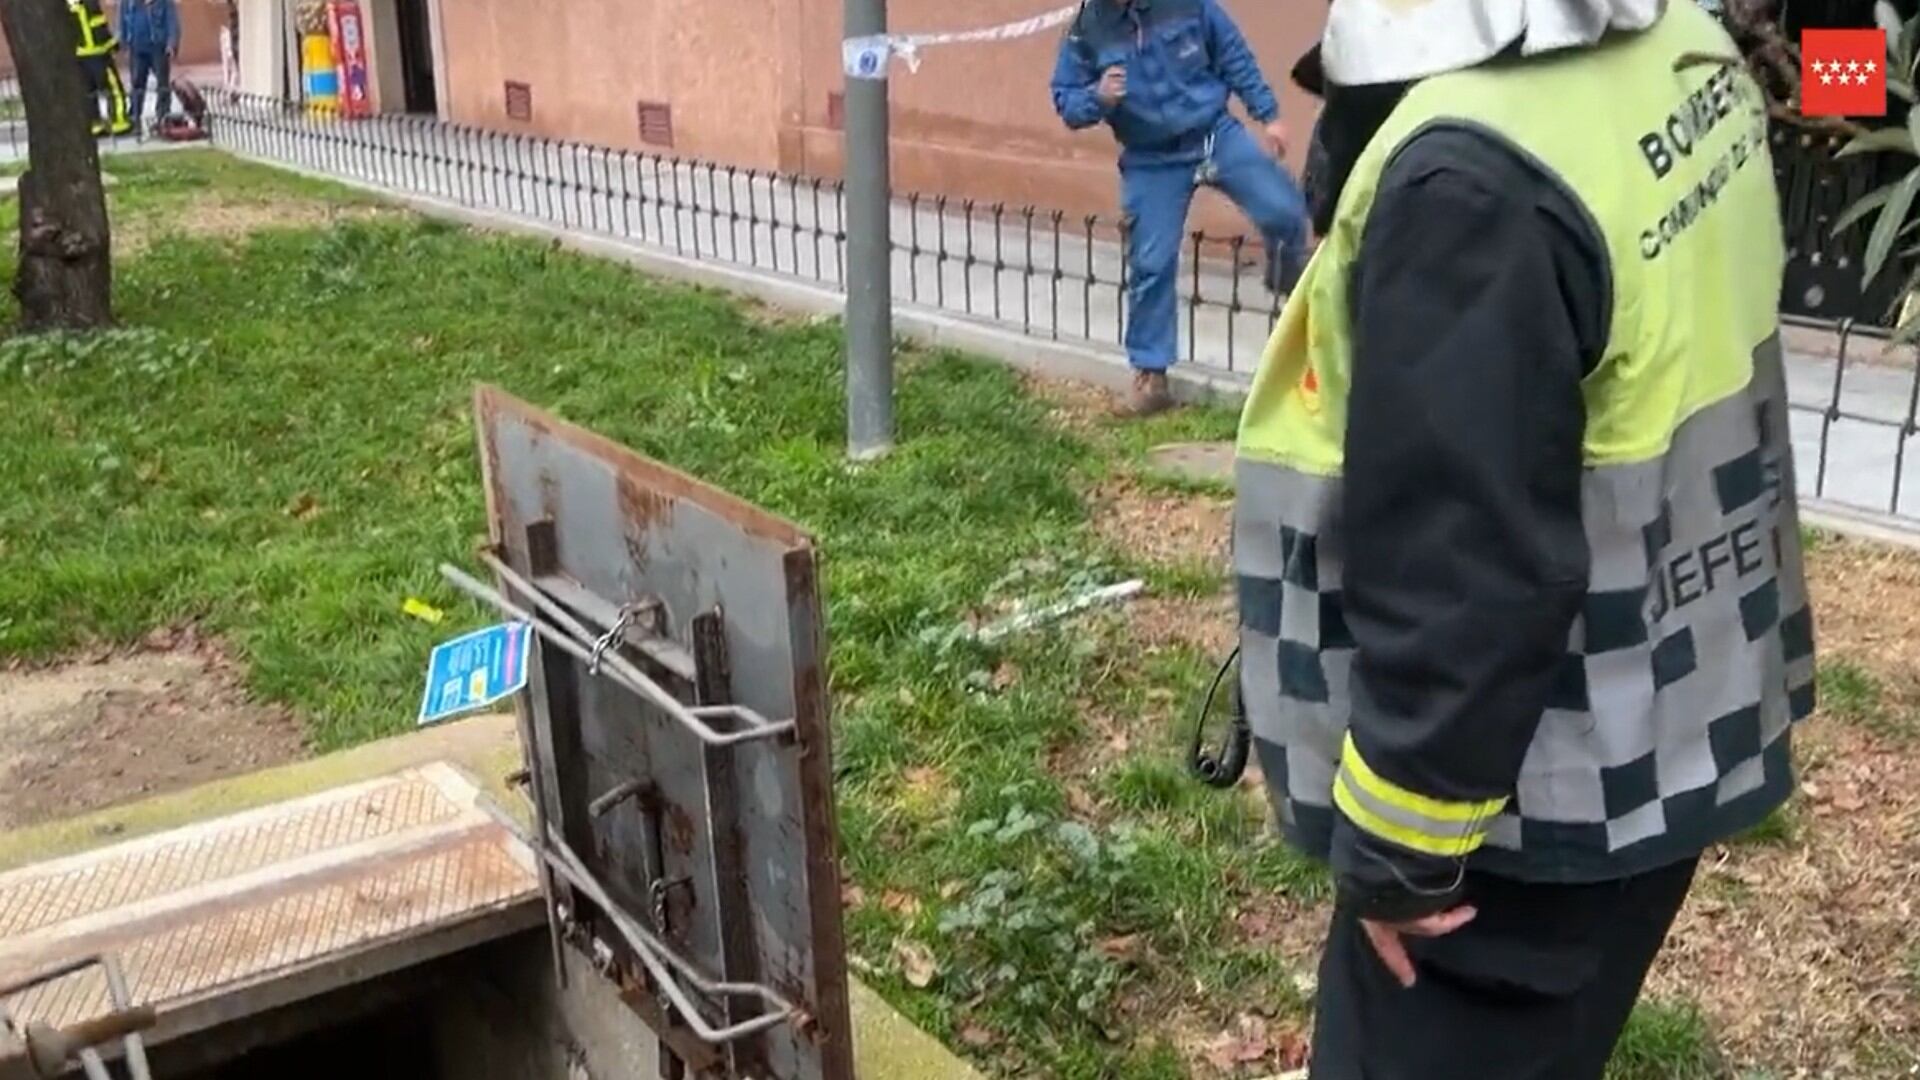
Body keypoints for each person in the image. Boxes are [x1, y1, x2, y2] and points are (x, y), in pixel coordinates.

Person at [1232, 1, 1812, 1077]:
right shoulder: (1675, 43)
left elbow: (1465, 579)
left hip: (1513, 817)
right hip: (1662, 728)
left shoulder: (1473, 186)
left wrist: (1401, 857)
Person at [1051, 0, 1309, 417]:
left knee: (1285, 210)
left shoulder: (1189, 5)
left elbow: (1232, 54)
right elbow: (1065, 99)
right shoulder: (1086, 29)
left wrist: (1268, 115)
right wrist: (1097, 99)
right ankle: (1151, 374)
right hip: (1151, 157)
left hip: (1213, 134)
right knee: (1151, 263)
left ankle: (1287, 280)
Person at [68, 0, 131, 137]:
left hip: (81, 57)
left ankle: (95, 125)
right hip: (99, 55)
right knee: (114, 90)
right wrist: (113, 44)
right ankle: (119, 123)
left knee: (89, 93)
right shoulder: (89, 5)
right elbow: (98, 28)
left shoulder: (68, 8)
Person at [119, 0, 181, 131]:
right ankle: (134, 119)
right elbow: (122, 22)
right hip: (136, 48)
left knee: (162, 84)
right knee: (137, 84)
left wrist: (171, 43)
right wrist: (123, 43)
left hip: (158, 47)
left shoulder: (163, 2)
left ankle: (163, 117)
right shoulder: (128, 2)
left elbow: (172, 21)